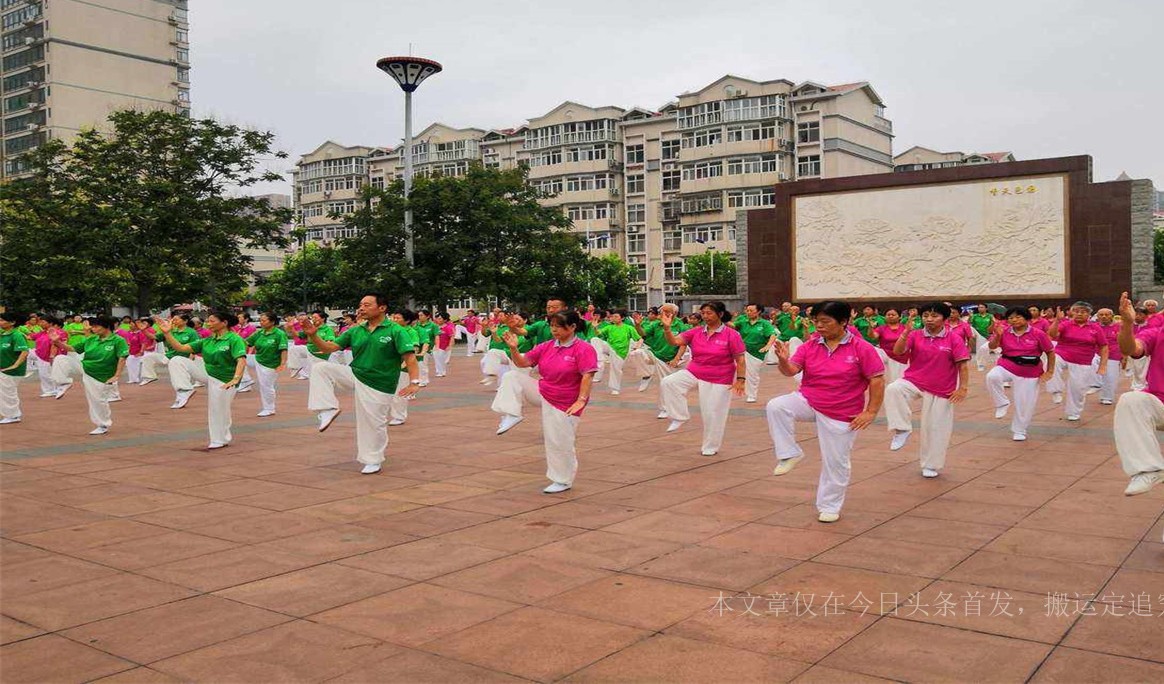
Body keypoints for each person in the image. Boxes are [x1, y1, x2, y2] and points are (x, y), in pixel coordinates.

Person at [767, 300, 885, 523]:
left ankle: (830, 505)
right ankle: (789, 453)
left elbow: (877, 380)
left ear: (843, 322)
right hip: (810, 399)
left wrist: (871, 411)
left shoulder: (862, 348)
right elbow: (791, 370)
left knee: (836, 462)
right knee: (776, 406)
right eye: (816, 321)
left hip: (843, 411)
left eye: (825, 321)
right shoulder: (811, 345)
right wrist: (783, 360)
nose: (819, 326)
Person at [304, 294, 420, 474]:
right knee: (321, 368)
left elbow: (410, 357)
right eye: (360, 305)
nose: (361, 308)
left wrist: (414, 382)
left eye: (367, 305)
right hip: (356, 373)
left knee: (373, 423)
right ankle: (327, 409)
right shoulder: (355, 330)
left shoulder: (395, 331)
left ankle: (373, 459)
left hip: (380, 383)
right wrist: (313, 336)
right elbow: (329, 348)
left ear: (382, 308)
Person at [492, 311, 598, 492]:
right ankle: (512, 414)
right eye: (552, 326)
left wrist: (581, 400)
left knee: (559, 440)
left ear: (572, 327)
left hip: (566, 401)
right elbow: (523, 364)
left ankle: (562, 480)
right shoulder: (547, 346)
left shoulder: (583, 348)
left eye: (559, 326)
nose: (554, 330)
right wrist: (514, 348)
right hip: (543, 391)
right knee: (512, 376)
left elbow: (588, 375)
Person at [884, 302, 971, 478]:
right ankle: (901, 428)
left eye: (934, 316)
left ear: (945, 319)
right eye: (926, 316)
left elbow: (962, 365)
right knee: (894, 389)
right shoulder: (915, 335)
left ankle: (931, 465)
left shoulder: (953, 338)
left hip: (942, 387)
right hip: (915, 380)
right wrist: (906, 332)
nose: (929, 320)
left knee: (936, 428)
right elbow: (898, 351)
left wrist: (962, 388)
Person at [659, 301, 746, 457]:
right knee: (669, 382)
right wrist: (667, 328)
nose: (705, 316)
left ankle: (711, 446)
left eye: (709, 313)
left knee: (713, 413)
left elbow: (740, 359)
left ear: (720, 314)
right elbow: (675, 341)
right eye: (703, 313)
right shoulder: (696, 331)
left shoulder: (731, 335)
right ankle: (679, 416)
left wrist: (740, 379)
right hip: (695, 371)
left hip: (720, 377)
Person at [158, 311, 248, 449]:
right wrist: (167, 333)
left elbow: (241, 360)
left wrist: (236, 378)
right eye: (208, 321)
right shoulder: (207, 340)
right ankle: (185, 390)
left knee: (219, 409)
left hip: (226, 379)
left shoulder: (234, 339)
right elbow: (181, 348)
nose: (208, 323)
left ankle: (221, 439)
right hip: (208, 373)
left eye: (212, 321)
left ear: (224, 323)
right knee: (177, 360)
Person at [1113, 291, 1164, 496]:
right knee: (1131, 399)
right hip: (1160, 403)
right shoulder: (1158, 332)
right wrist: (1127, 323)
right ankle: (1148, 469)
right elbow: (1130, 348)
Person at [985, 307, 1056, 441]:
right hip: (1007, 364)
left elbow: (1050, 352)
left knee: (1024, 403)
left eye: (1018, 317)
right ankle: (1001, 403)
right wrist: (998, 335)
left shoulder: (1038, 333)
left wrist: (1050, 371)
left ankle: (1020, 430)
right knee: (992, 376)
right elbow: (992, 347)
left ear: (1026, 318)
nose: (1014, 320)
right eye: (1011, 318)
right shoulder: (1004, 331)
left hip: (1029, 370)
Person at [50, 315, 128, 435]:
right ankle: (64, 383)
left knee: (98, 400)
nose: (93, 329)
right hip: (85, 366)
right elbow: (71, 348)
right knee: (61, 358)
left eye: (96, 327)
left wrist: (117, 375)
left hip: (101, 374)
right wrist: (57, 342)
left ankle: (103, 425)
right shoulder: (92, 339)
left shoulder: (118, 340)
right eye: (93, 327)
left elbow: (122, 358)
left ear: (106, 327)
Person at [1046, 302, 1107, 421]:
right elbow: (1052, 334)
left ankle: (1074, 412)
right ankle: (1056, 390)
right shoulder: (1066, 324)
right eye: (1076, 311)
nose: (1079, 314)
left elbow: (1104, 346)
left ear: (1089, 314)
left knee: (1078, 388)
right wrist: (1057, 320)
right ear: (1071, 312)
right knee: (1051, 360)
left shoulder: (1095, 328)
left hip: (1083, 360)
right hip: (1063, 353)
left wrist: (1102, 365)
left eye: (1083, 312)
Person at [140, 314, 200, 402]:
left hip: (182, 360)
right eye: (173, 319)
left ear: (185, 321)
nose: (174, 321)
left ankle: (184, 394)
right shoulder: (170, 331)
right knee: (148, 356)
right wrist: (144, 330)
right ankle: (149, 377)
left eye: (176, 319)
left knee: (179, 379)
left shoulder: (191, 332)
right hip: (168, 356)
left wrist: (192, 356)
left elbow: (195, 346)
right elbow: (153, 337)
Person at [244, 312, 289, 417]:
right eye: (261, 320)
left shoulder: (279, 334)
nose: (261, 322)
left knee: (266, 386)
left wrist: (282, 364)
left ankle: (269, 408)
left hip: (272, 364)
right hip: (259, 360)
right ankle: (246, 380)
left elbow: (283, 350)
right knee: (263, 384)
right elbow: (246, 342)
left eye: (264, 320)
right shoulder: (260, 333)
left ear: (272, 322)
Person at [732, 303, 778, 403]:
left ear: (758, 312)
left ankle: (752, 395)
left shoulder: (764, 323)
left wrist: (768, 346)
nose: (748, 312)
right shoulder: (743, 321)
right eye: (747, 310)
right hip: (743, 350)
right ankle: (746, 393)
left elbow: (772, 335)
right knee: (741, 371)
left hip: (757, 353)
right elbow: (732, 326)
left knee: (752, 374)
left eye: (751, 310)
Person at [595, 309, 641, 395]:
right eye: (612, 316)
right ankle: (599, 359)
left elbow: (639, 338)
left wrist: (637, 347)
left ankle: (615, 388)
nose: (613, 318)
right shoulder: (609, 327)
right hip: (610, 348)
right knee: (595, 339)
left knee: (616, 369)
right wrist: (595, 327)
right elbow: (599, 334)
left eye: (616, 316)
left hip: (621, 352)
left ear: (622, 318)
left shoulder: (629, 328)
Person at [0, 312, 31, 424]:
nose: (0, 322)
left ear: (12, 322)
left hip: (10, 370)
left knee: (8, 392)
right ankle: (8, 414)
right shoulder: (3, 334)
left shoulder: (17, 335)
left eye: (3, 320)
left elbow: (24, 351)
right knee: (3, 392)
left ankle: (13, 415)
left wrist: (15, 365)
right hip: (3, 369)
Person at [287, 311, 336, 381]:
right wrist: (291, 327)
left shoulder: (328, 329)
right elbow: (298, 335)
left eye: (315, 317)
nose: (313, 319)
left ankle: (326, 383)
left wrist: (325, 349)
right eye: (312, 317)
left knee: (316, 375)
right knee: (293, 349)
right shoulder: (311, 328)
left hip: (318, 354)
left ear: (322, 319)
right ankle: (295, 367)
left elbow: (330, 341)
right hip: (309, 349)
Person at [868, 308, 910, 384]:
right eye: (888, 315)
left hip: (902, 358)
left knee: (901, 380)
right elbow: (873, 336)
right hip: (886, 358)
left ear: (899, 316)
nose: (890, 316)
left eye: (893, 315)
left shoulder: (904, 328)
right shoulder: (881, 328)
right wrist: (870, 327)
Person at [1093, 307, 1123, 406]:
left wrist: (1124, 356)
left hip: (1113, 355)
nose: (1104, 317)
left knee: (1110, 377)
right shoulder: (1094, 326)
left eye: (1107, 314)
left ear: (1112, 316)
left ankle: (1107, 397)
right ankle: (1095, 386)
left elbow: (1122, 342)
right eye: (1101, 315)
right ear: (1097, 317)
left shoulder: (1119, 327)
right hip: (1096, 354)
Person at [30, 315, 65, 398]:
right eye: (40, 322)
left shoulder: (57, 332)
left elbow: (55, 345)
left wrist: (52, 356)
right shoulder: (42, 332)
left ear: (51, 323)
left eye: (43, 322)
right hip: (40, 354)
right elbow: (30, 337)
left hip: (48, 356)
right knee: (43, 374)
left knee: (47, 374)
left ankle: (52, 390)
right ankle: (49, 390)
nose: (40, 324)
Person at [1128, 307, 1150, 391]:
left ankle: (1143, 385)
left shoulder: (1150, 326)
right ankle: (1136, 385)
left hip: (1145, 352)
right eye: (1136, 314)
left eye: (1140, 314)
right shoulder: (1130, 325)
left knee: (1144, 369)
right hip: (1132, 351)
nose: (1137, 316)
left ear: (1146, 316)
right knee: (1135, 369)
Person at [969, 304, 996, 371]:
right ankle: (980, 364)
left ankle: (985, 363)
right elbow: (969, 324)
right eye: (979, 307)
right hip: (978, 334)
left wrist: (993, 321)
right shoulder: (975, 316)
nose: (980, 308)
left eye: (982, 307)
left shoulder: (990, 316)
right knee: (979, 349)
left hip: (988, 334)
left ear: (986, 308)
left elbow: (993, 326)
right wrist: (970, 317)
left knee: (986, 350)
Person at [433, 312, 455, 378]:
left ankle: (442, 371)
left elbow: (451, 337)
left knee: (442, 359)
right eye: (437, 318)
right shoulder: (435, 327)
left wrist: (450, 346)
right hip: (436, 346)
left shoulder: (448, 328)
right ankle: (438, 371)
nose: (438, 320)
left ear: (445, 320)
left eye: (440, 319)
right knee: (437, 359)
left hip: (444, 346)